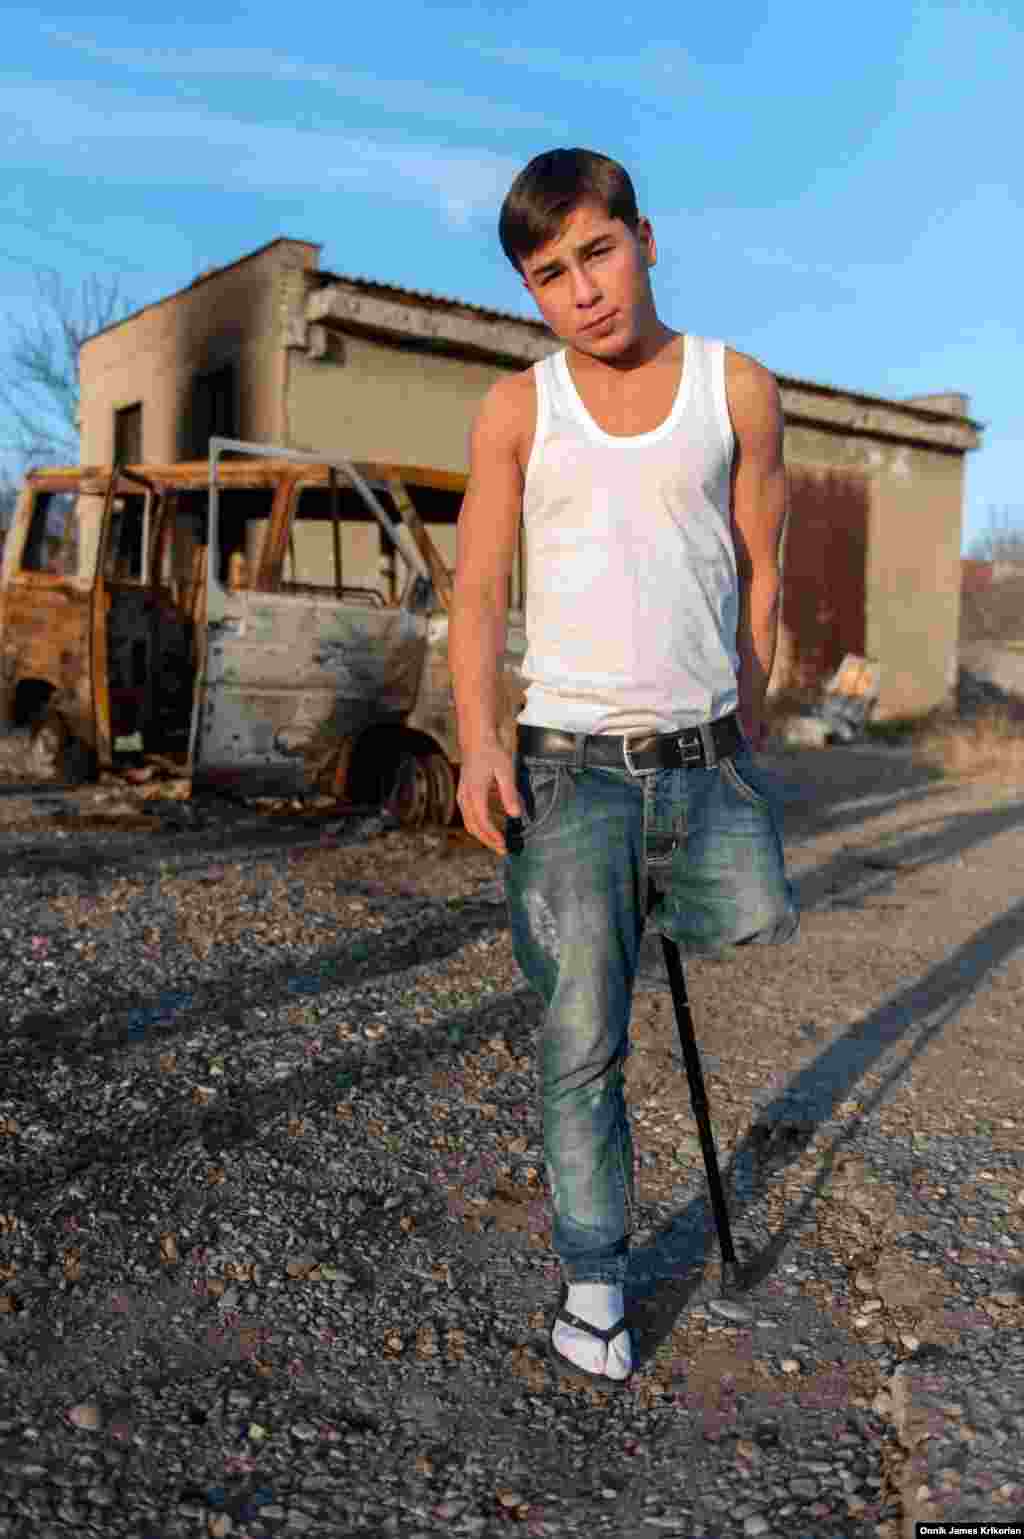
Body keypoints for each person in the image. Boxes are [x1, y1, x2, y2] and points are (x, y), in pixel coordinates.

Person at [449, 148, 798, 1387]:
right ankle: (595, 1276)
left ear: (645, 239)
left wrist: (754, 688)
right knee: (583, 1033)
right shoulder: (516, 411)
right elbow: (480, 588)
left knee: (756, 919)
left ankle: (646, 913)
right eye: (551, 274)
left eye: (597, 252)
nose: (583, 290)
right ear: (532, 292)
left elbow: (760, 565)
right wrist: (480, 735)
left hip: (703, 758)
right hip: (568, 768)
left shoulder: (736, 388)